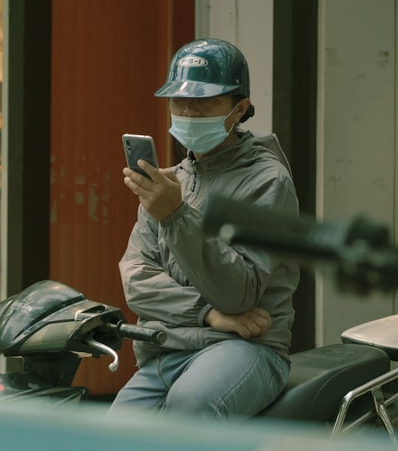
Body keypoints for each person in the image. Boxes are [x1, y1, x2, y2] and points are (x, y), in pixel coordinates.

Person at [109, 38, 301, 420]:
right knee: (113, 434)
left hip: (248, 349)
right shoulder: (169, 182)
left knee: (191, 407)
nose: (189, 112)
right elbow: (137, 281)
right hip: (172, 347)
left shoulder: (266, 181)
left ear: (239, 109)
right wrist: (208, 314)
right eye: (179, 102)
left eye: (206, 102)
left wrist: (177, 214)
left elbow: (240, 293)